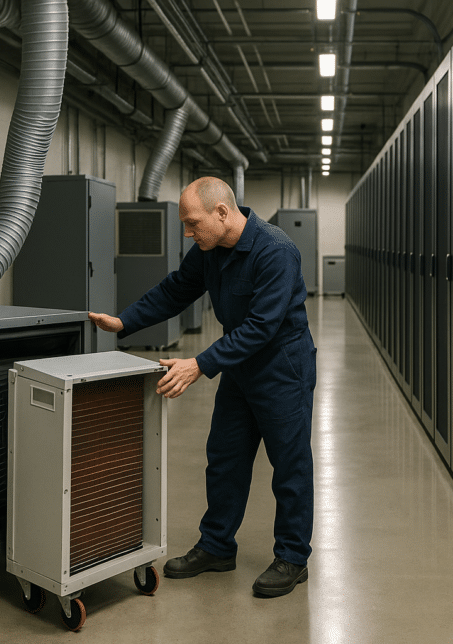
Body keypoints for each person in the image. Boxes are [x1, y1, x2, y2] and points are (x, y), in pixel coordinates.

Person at [88, 176, 317, 597]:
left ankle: (292, 556)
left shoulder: (276, 251)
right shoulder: (210, 250)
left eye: (192, 223)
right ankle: (217, 546)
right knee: (225, 458)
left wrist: (199, 364)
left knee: (290, 464)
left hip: (282, 368)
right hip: (239, 368)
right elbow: (176, 290)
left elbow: (261, 327)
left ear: (222, 213)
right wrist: (124, 321)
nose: (188, 233)